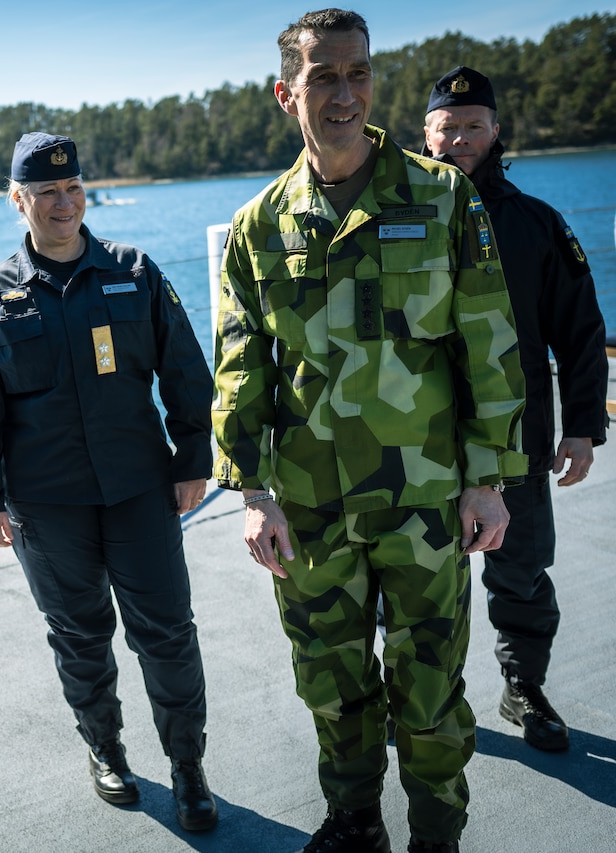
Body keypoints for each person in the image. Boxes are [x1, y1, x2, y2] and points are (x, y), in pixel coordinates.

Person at [212, 10, 528, 853]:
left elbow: (487, 341)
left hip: (425, 500)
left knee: (428, 687)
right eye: (323, 77)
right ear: (288, 93)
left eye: (357, 74)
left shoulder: (442, 193)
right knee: (332, 684)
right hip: (311, 507)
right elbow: (242, 367)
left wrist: (489, 477)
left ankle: (436, 836)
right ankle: (355, 822)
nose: (343, 94)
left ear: (373, 83)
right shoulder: (256, 227)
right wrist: (252, 490)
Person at [0, 133, 218, 832]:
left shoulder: (135, 271)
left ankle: (189, 768)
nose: (63, 203)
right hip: (46, 504)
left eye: (72, 189)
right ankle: (106, 751)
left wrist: (194, 453)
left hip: (139, 489)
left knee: (166, 632)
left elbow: (186, 368)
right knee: (79, 635)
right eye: (46, 193)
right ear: (19, 201)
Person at [420, 66, 608, 753]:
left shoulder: (535, 224)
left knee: (521, 572)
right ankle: (424, 693)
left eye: (475, 125)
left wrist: (583, 426)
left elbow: (581, 330)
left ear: (496, 131)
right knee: (415, 582)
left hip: (514, 439)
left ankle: (523, 685)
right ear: (427, 134)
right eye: (449, 126)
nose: (462, 138)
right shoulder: (395, 221)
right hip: (415, 441)